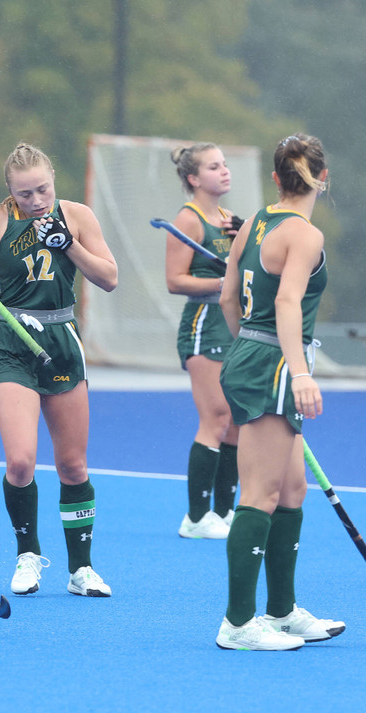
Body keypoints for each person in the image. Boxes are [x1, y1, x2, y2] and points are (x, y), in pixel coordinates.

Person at [0, 143, 118, 598]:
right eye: (25, 194)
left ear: (53, 181)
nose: (37, 200)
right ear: (10, 190)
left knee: (72, 464)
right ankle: (27, 554)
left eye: (43, 189)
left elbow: (108, 277)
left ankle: (81, 569)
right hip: (12, 342)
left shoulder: (77, 215)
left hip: (61, 340)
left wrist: (70, 245)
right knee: (21, 461)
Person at [215, 133, 345, 650]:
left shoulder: (255, 221)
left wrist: (249, 345)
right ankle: (237, 624)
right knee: (260, 495)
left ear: (275, 178)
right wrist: (300, 372)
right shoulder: (304, 234)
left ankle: (282, 612)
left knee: (291, 491)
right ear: (322, 177)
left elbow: (228, 297)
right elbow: (288, 302)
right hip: (275, 366)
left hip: (254, 354)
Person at [165, 143, 242, 540]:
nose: (224, 171)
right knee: (216, 417)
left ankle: (224, 513)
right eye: (214, 167)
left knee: (237, 423)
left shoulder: (229, 219)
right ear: (194, 178)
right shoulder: (188, 219)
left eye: (224, 164)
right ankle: (196, 517)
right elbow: (175, 280)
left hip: (235, 326)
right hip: (204, 325)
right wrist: (222, 281)